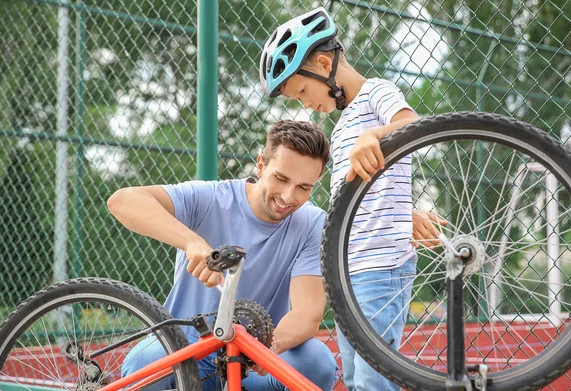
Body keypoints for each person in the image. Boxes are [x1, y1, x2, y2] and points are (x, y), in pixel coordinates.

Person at [261, 7, 445, 391]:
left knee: (373, 380)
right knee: (356, 377)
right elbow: (369, 190)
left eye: (301, 91)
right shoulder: (343, 124)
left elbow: (414, 126)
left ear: (324, 63)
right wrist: (402, 211)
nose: (304, 104)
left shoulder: (377, 92)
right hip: (348, 269)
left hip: (381, 266)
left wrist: (375, 135)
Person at [107, 120, 337, 390]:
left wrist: (271, 346)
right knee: (145, 362)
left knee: (316, 361)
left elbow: (307, 312)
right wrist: (192, 242)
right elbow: (122, 201)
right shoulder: (211, 197)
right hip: (186, 347)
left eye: (304, 188)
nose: (288, 196)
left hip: (253, 359)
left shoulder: (312, 223)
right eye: (281, 178)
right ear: (261, 164)